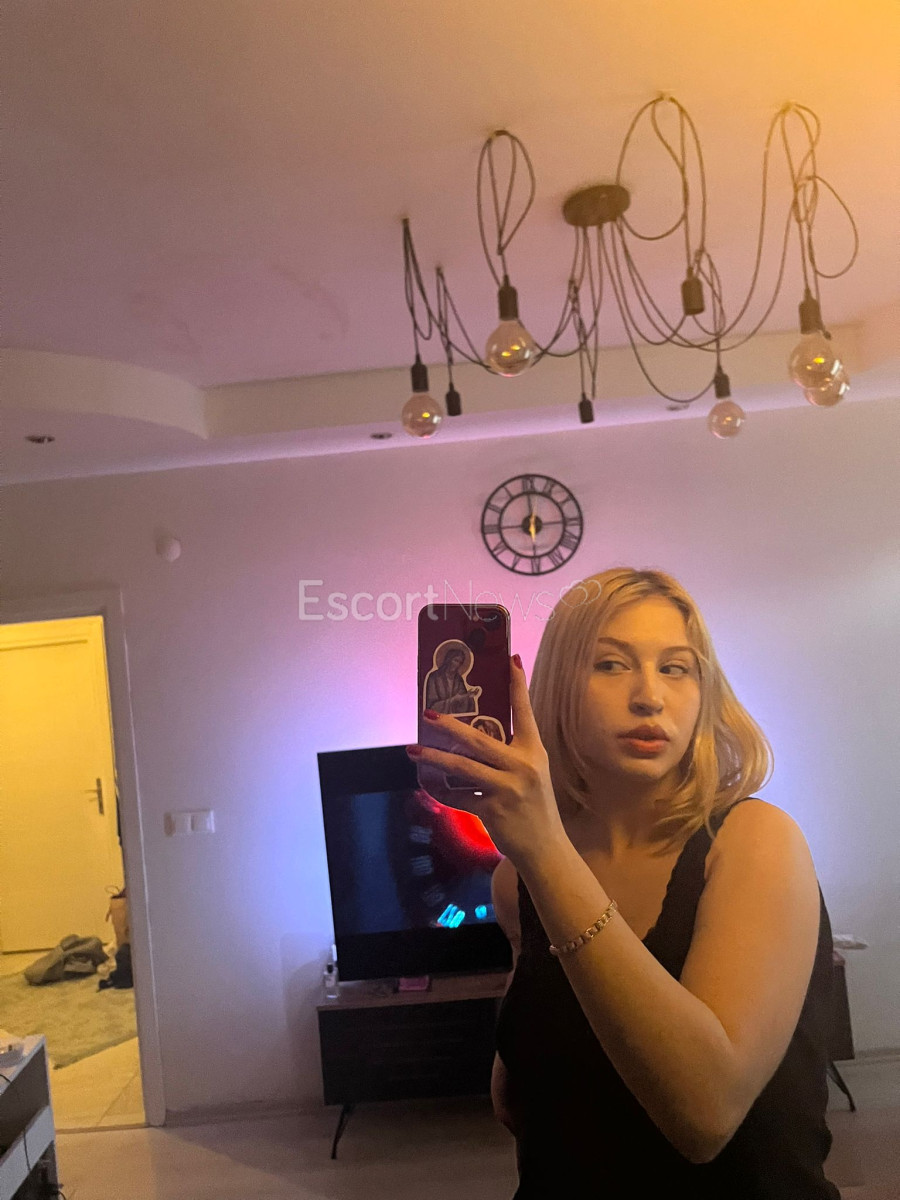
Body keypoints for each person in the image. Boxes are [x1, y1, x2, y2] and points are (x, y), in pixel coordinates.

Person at [406, 567, 841, 1197]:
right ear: (555, 686)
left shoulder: (757, 841)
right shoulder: (515, 883)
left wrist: (545, 850)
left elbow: (706, 1115)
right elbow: (522, 1106)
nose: (649, 697)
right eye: (611, 665)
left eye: (676, 668)